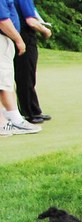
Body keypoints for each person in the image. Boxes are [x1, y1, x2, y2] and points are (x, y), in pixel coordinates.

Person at [0, 0, 39, 135]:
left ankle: (12, 118)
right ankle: (3, 123)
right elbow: (2, 20)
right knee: (2, 81)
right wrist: (19, 39)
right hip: (2, 38)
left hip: (5, 39)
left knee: (6, 82)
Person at [13, 0, 50, 124]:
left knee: (26, 75)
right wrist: (45, 31)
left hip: (16, 34)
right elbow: (31, 21)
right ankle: (29, 113)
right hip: (24, 36)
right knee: (26, 76)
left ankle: (34, 109)